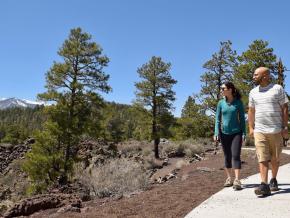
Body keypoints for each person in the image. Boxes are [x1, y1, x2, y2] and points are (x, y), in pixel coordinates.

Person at [248, 67, 289, 196]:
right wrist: (251, 127)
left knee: (275, 159)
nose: (253, 76)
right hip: (260, 130)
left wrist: (285, 127)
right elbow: (251, 111)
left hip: (276, 130)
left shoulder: (277, 89)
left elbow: (285, 108)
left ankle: (273, 179)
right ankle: (264, 184)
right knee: (262, 158)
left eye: (256, 74)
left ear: (265, 75)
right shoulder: (253, 92)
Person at [214, 81, 246, 191]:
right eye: (221, 89)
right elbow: (217, 119)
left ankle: (237, 180)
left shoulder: (238, 103)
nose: (221, 90)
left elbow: (242, 119)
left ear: (230, 89)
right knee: (227, 156)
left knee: (236, 155)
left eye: (223, 89)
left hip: (236, 132)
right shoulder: (220, 103)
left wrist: (244, 133)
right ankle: (229, 178)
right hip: (224, 133)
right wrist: (216, 133)